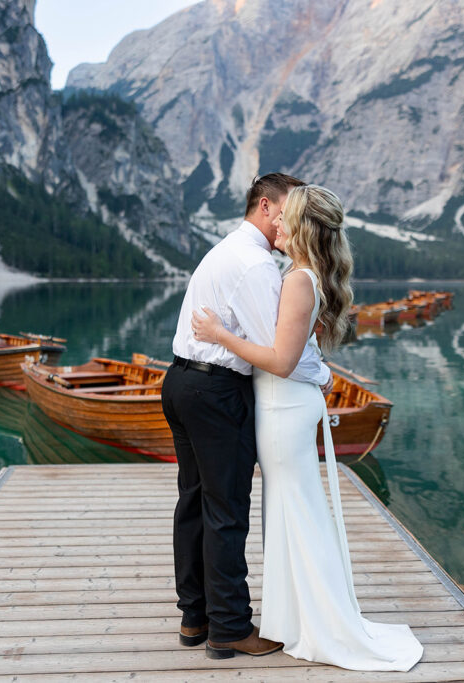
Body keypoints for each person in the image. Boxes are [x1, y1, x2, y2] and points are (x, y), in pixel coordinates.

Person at [191, 184, 424, 671]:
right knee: (291, 508)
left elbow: (279, 360)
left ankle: (314, 621)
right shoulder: (304, 274)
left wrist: (220, 335)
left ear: (301, 225)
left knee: (293, 507)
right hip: (287, 407)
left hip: (281, 408)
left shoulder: (298, 280)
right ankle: (295, 617)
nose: (276, 224)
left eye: (285, 217)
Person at [161, 173, 333, 659]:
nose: (288, 225)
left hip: (179, 382)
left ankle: (194, 617)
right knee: (227, 508)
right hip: (216, 390)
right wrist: (321, 376)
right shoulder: (257, 266)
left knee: (193, 502)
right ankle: (230, 627)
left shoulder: (224, 250)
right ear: (265, 206)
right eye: (285, 213)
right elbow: (279, 352)